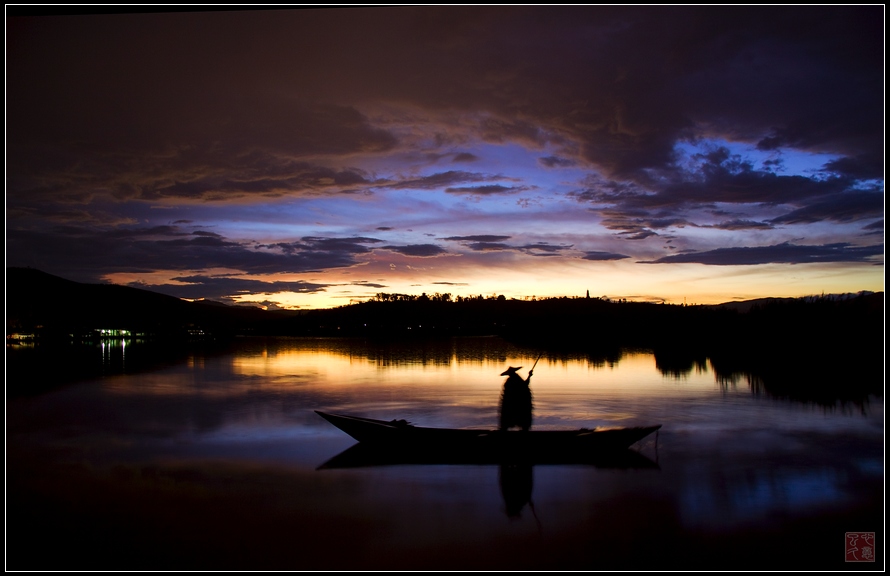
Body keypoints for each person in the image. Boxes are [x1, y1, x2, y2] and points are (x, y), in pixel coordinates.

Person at [498, 365, 533, 431]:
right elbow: (524, 386)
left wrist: (529, 376)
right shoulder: (513, 379)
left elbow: (524, 385)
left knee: (507, 420)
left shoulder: (513, 379)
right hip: (515, 404)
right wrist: (529, 376)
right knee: (521, 419)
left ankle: (504, 430)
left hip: (512, 404)